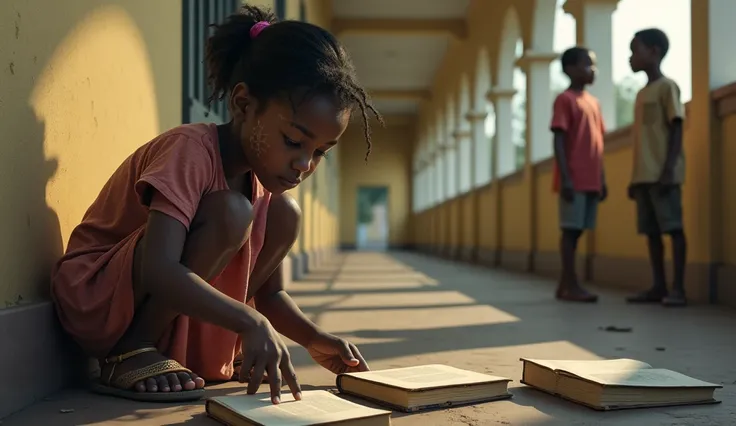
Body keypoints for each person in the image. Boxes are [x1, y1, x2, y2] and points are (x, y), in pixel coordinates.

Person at [51, 5, 381, 405]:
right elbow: (159, 268)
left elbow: (269, 296)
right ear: (243, 105)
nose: (304, 164)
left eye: (320, 153)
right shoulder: (190, 150)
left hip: (159, 305)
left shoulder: (265, 189)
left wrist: (314, 339)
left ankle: (162, 346)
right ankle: (129, 352)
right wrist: (248, 321)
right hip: (96, 296)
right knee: (232, 212)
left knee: (285, 214)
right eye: (294, 141)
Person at [624, 28, 687, 307]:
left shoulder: (667, 87)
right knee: (651, 233)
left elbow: (676, 127)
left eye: (635, 50)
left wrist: (668, 168)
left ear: (654, 51)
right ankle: (658, 286)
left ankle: (679, 289)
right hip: (643, 176)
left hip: (664, 174)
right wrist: (634, 177)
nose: (630, 57)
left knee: (673, 228)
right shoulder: (641, 94)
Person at [549, 46, 607, 303]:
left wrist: (601, 177)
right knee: (570, 232)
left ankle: (565, 284)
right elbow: (559, 140)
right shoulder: (565, 100)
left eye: (593, 65)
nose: (592, 70)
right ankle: (571, 284)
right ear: (570, 69)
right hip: (573, 177)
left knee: (579, 230)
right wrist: (566, 178)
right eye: (587, 64)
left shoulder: (594, 103)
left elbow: (599, 142)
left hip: (591, 178)